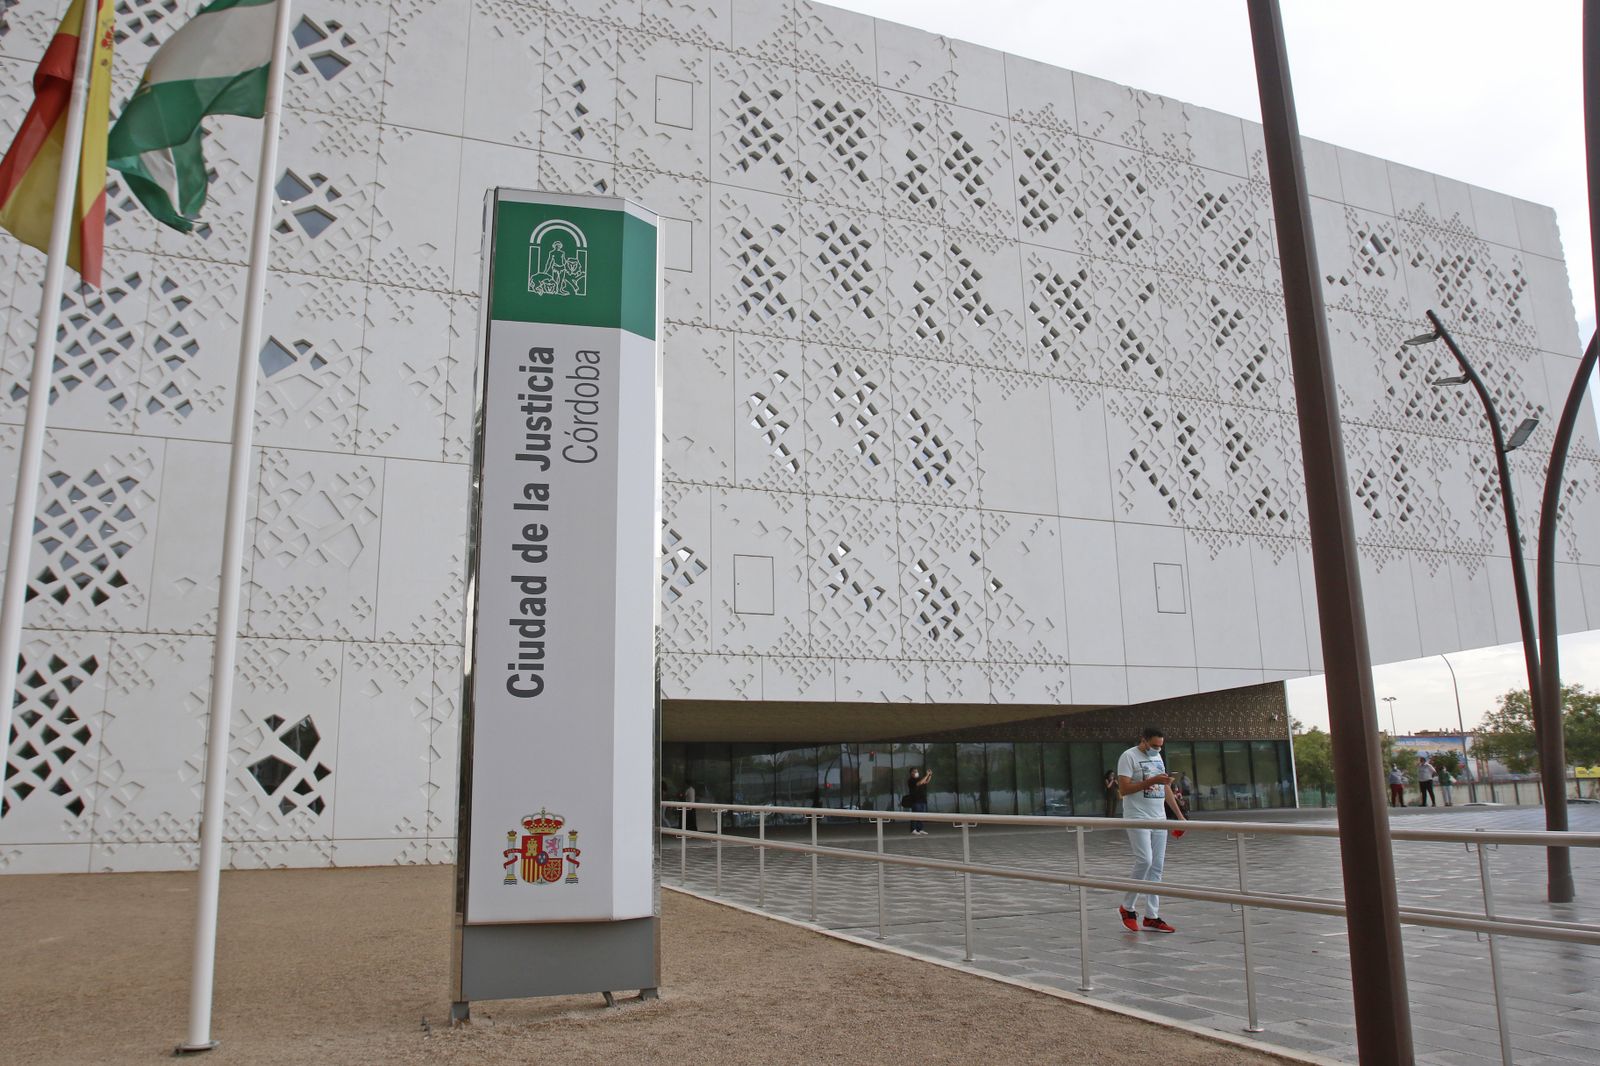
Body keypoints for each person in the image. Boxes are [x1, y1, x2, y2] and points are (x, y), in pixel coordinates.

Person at [1115, 726, 1187, 934]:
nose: (1157, 750)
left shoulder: (1158, 759)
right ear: (1143, 740)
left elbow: (1165, 789)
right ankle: (1127, 907)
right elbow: (1124, 789)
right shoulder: (1128, 756)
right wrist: (1151, 781)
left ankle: (1151, 916)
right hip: (1137, 816)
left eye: (1160, 747)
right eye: (1154, 745)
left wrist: (1180, 818)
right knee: (1144, 860)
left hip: (1159, 818)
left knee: (1157, 866)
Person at [906, 767, 932, 835]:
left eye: (917, 771)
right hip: (915, 800)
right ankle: (913, 829)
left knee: (921, 815)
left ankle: (920, 829)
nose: (916, 772)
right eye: (914, 771)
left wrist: (930, 775)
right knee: (915, 815)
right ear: (911, 773)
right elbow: (919, 783)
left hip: (922, 800)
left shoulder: (919, 779)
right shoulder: (911, 780)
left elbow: (926, 782)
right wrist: (926, 775)